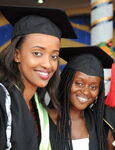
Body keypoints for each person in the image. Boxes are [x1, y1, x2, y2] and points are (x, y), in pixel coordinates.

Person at [0, 5, 76, 150]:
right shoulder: (2, 100)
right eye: (37, 53)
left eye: (54, 56)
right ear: (17, 55)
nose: (48, 64)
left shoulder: (38, 108)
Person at [48, 46, 113, 150]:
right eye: (78, 83)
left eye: (93, 87)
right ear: (66, 82)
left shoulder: (101, 127)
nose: (86, 92)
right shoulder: (43, 120)